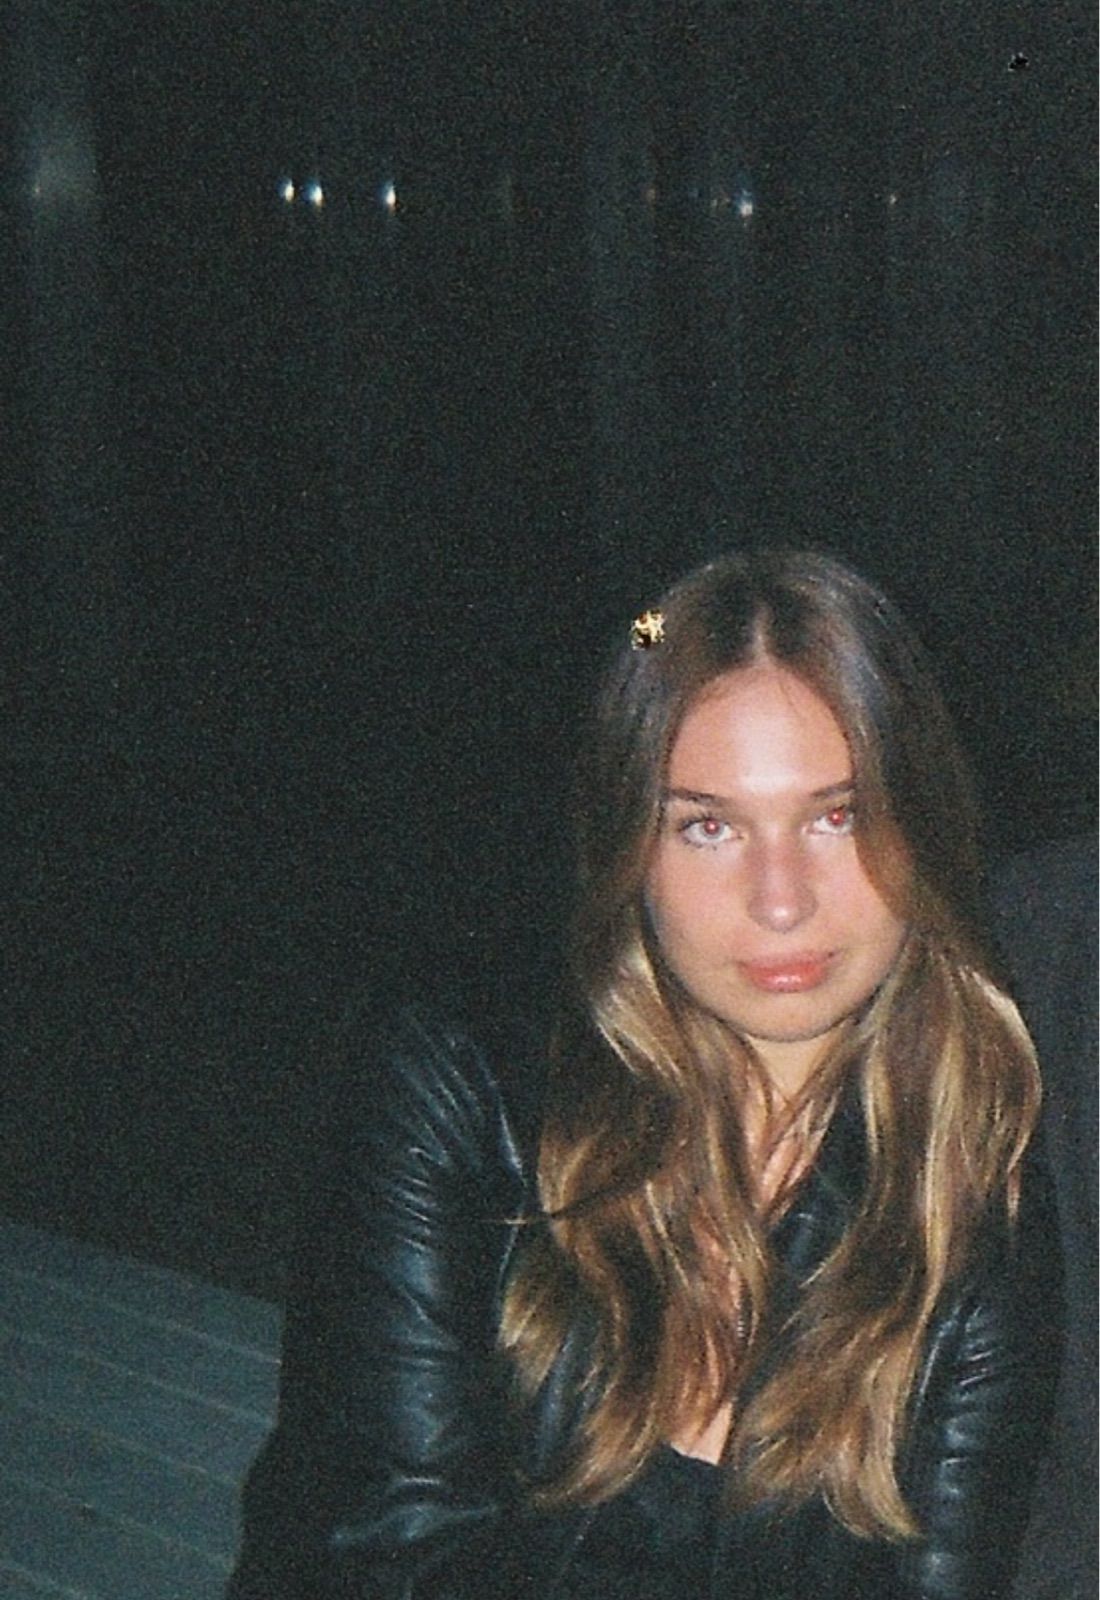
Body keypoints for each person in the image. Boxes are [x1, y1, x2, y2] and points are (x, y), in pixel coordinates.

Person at [228, 548, 1061, 1600]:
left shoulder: (966, 1175)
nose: (780, 899)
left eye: (835, 815)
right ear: (630, 845)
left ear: (919, 824)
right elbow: (388, 1550)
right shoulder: (459, 1087)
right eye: (708, 825)